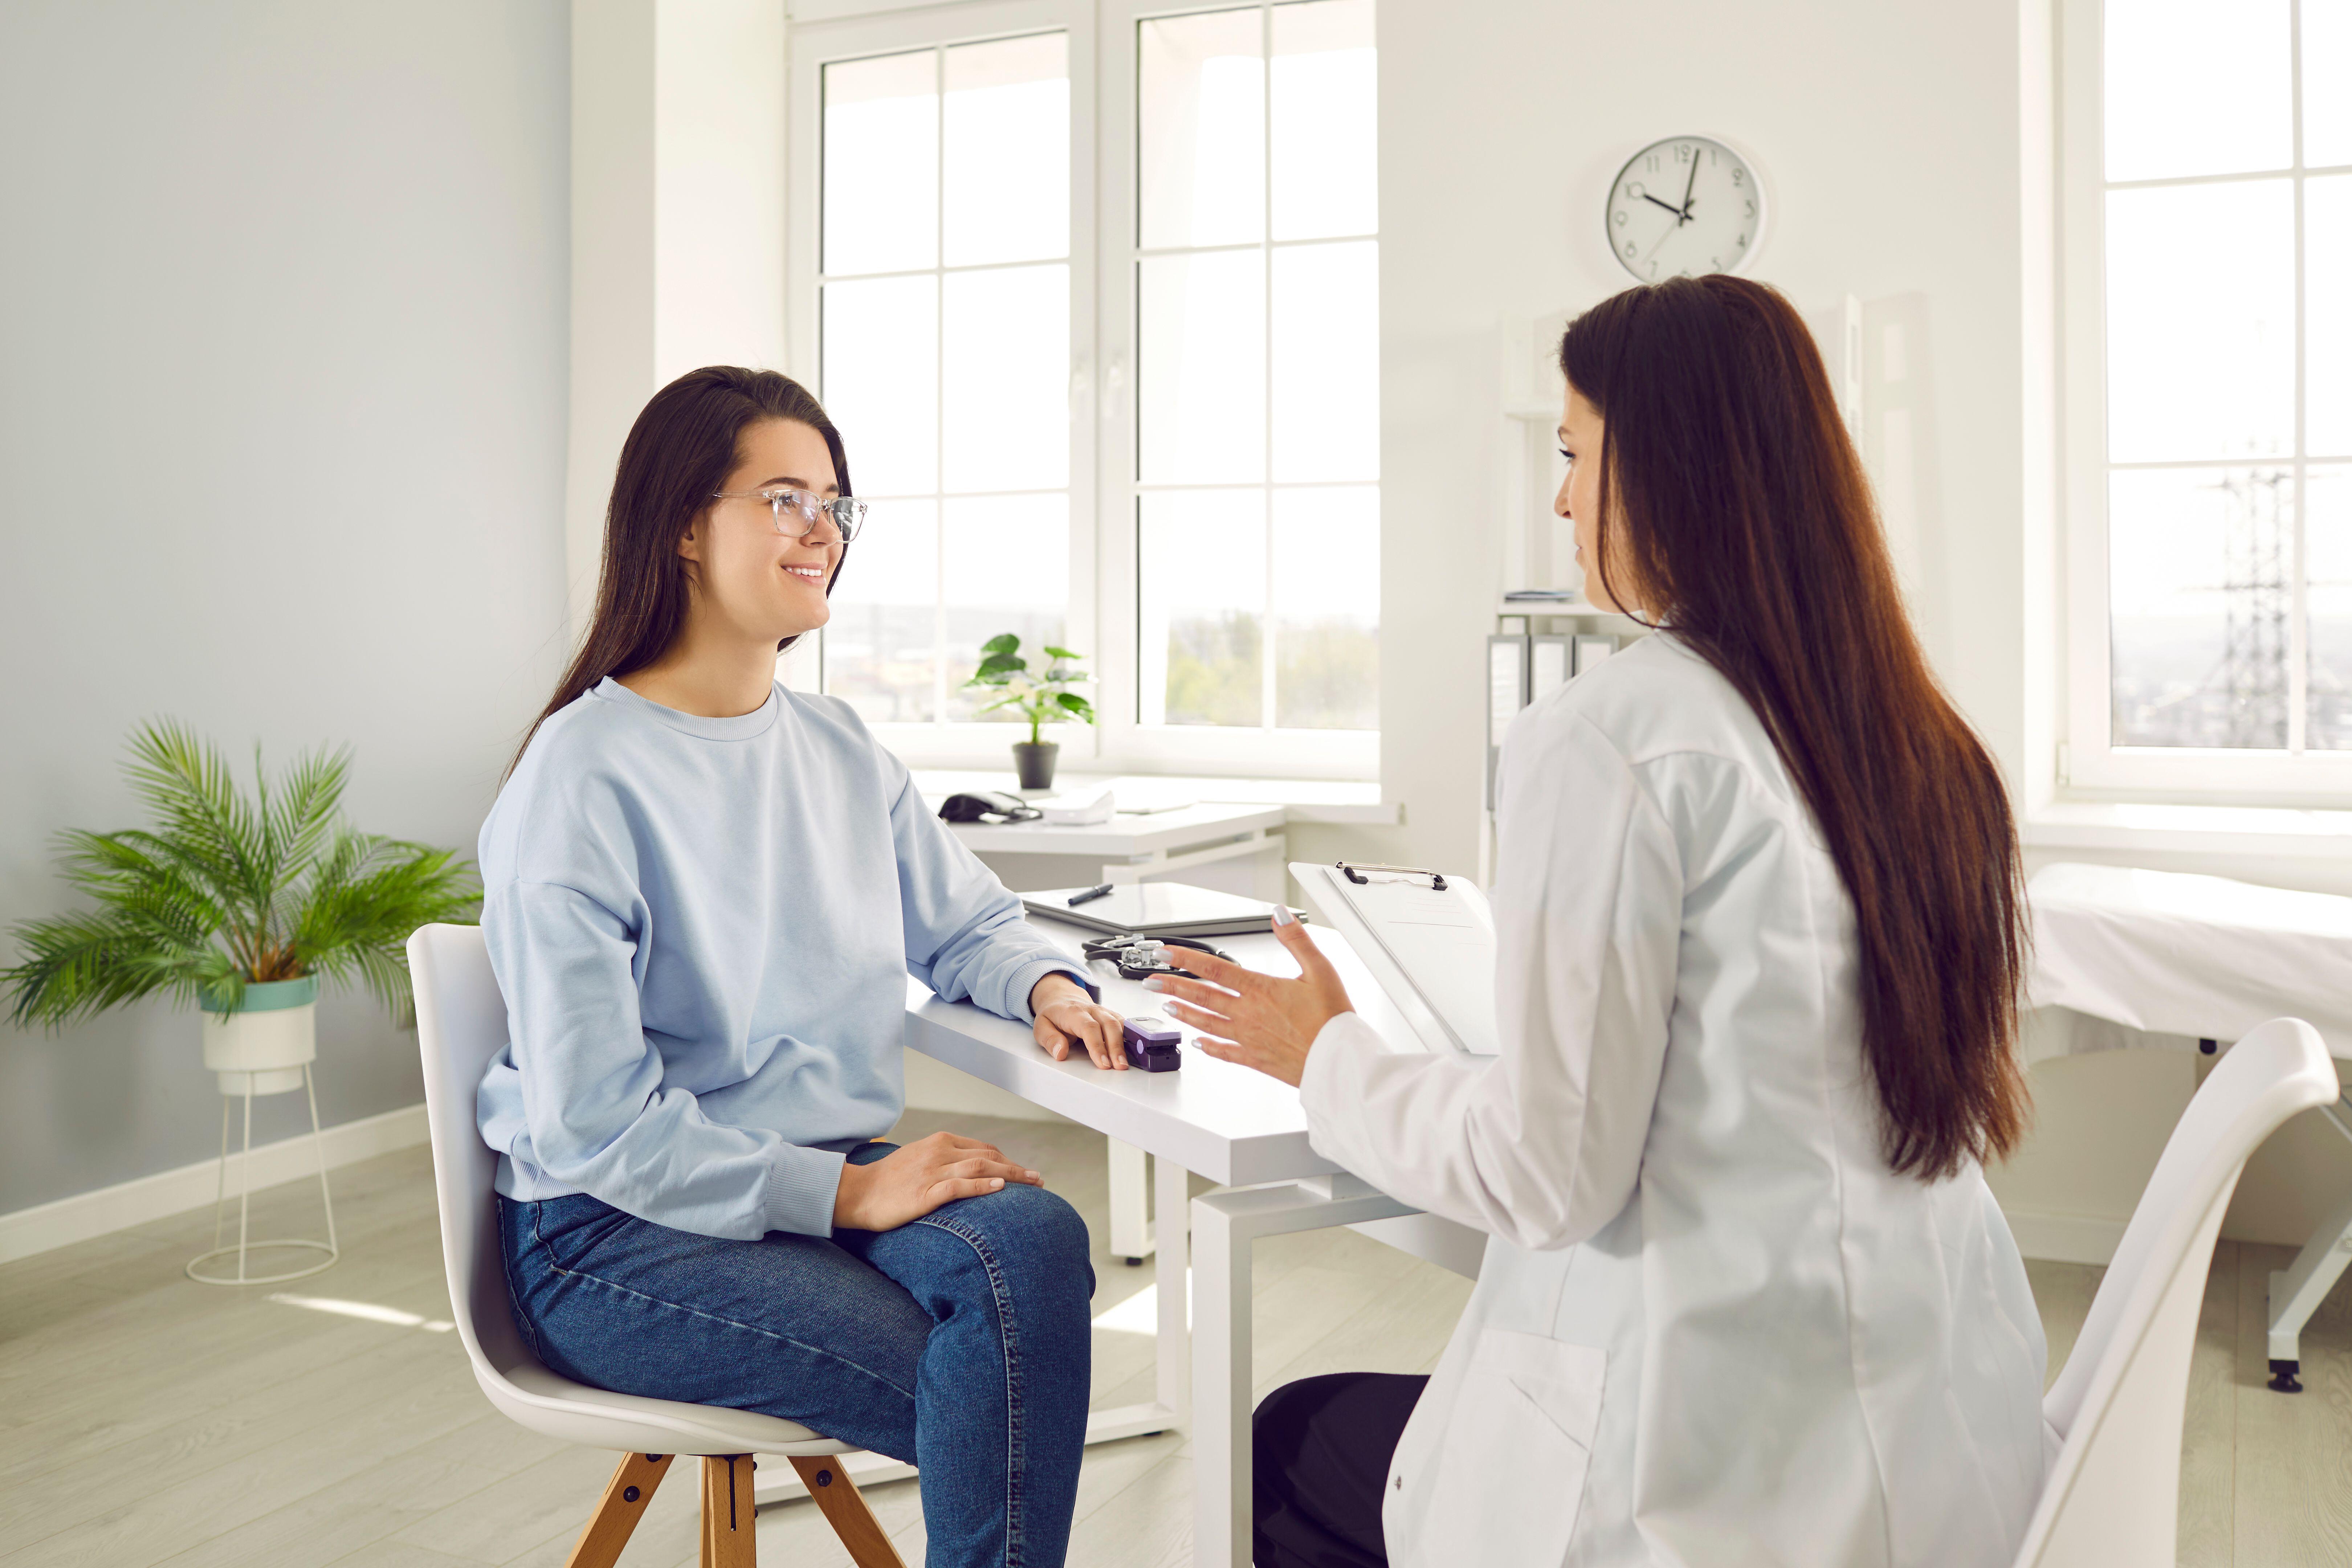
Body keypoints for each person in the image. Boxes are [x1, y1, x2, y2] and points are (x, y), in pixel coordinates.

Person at [1145, 277, 2049, 1568]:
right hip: (1935, 1454)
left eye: (1574, 454)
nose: (1561, 500)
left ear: (1676, 467)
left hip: (1699, 1480)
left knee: (1290, 1441)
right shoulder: (1923, 748)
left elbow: (1546, 1174)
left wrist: (1328, 1054)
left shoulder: (1613, 739)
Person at [476, 367, 1134, 1568]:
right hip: (614, 1229)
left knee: (1033, 1246)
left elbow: (966, 925)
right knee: (998, 1366)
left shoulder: (837, 747)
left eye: (836, 503)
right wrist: (844, 1196)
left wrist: (1046, 986)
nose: (823, 532)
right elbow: (592, 1129)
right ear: (682, 522)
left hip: (816, 1186)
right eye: (785, 498)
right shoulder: (580, 781)